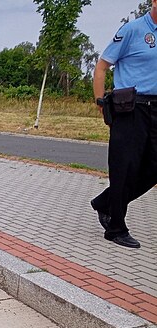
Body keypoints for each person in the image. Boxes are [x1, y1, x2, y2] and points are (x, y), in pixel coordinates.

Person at [91, 0, 157, 249]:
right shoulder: (132, 30)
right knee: (123, 168)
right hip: (131, 107)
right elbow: (101, 66)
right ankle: (116, 227)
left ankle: (105, 202)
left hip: (156, 108)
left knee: (153, 168)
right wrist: (100, 101)